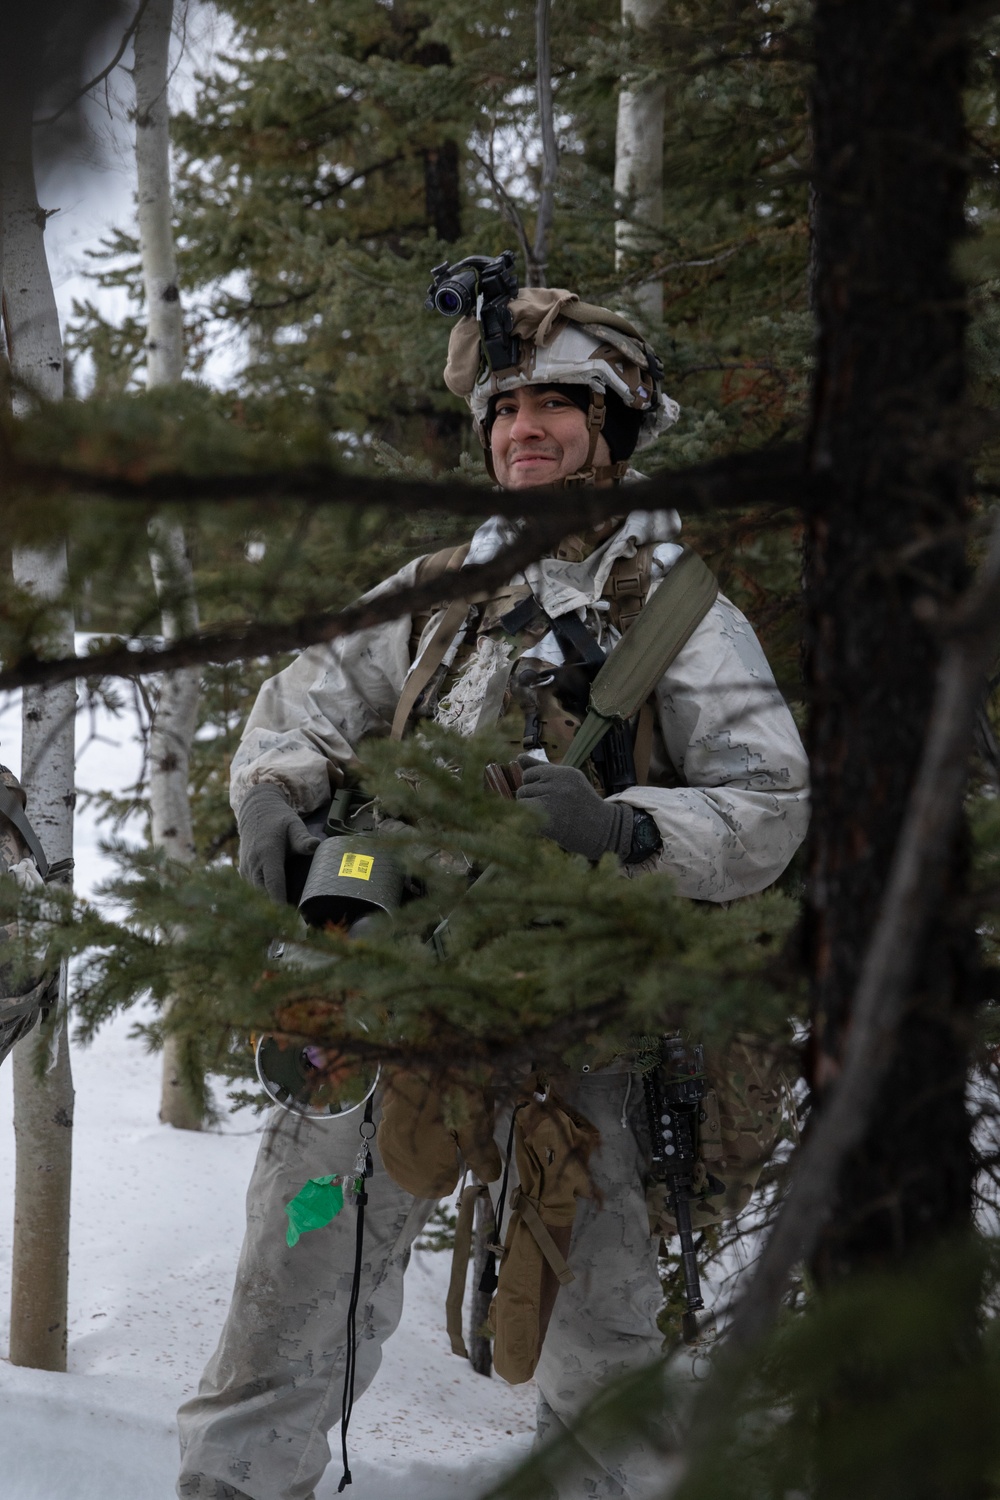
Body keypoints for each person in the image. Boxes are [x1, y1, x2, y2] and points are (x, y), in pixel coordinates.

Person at [177, 282, 809, 1500]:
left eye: (557, 407)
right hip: (391, 1016)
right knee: (292, 1290)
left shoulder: (681, 617)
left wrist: (624, 831)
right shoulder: (436, 588)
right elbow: (300, 708)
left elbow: (769, 805)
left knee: (602, 1349)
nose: (523, 428)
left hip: (595, 1046)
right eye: (505, 407)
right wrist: (271, 792)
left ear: (613, 428)